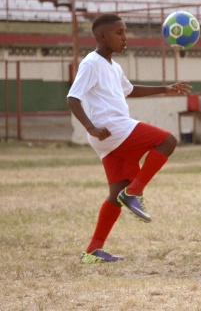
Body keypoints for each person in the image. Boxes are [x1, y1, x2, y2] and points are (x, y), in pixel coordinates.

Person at [67, 14, 192, 264]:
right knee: (168, 141)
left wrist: (165, 89)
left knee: (115, 193)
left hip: (108, 137)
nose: (125, 38)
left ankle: (93, 250)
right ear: (101, 36)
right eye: (119, 32)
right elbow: (73, 98)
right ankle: (134, 192)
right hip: (112, 129)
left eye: (125, 32)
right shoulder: (91, 63)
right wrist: (90, 127)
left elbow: (130, 90)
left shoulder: (114, 66)